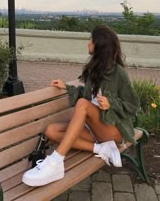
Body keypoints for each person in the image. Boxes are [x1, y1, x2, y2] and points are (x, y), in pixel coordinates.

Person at [22, 25, 139, 187]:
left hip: (113, 130)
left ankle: (56, 162)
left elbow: (133, 105)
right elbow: (88, 94)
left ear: (99, 44)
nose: (88, 42)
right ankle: (101, 150)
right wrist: (66, 87)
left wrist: (111, 103)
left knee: (82, 105)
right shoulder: (94, 69)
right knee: (51, 130)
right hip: (93, 130)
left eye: (90, 39)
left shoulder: (118, 73)